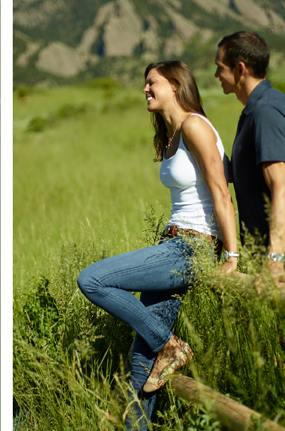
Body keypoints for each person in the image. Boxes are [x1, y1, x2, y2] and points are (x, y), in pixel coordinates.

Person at [77, 62, 239, 430]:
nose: (145, 89)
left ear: (175, 84)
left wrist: (231, 255)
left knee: (93, 280)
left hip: (191, 247)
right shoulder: (171, 134)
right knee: (142, 363)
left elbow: (220, 191)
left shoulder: (195, 125)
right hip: (174, 244)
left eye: (152, 82)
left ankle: (170, 344)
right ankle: (159, 355)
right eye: (145, 84)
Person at [214, 31, 285, 284]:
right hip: (277, 254)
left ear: (240, 69)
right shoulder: (257, 109)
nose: (216, 76)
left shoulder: (266, 111)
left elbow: (282, 188)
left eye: (220, 68)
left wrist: (275, 262)